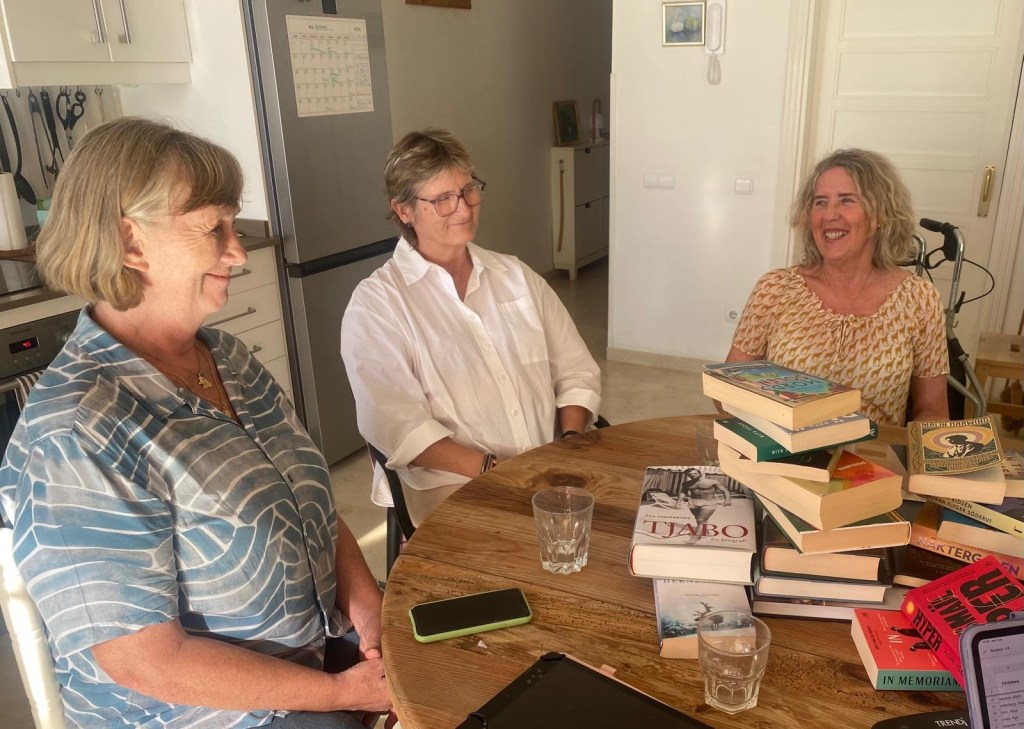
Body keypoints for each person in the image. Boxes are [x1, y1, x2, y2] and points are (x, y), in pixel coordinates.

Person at [0, 118, 389, 728]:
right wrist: (343, 695)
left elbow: (303, 501)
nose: (238, 251)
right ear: (131, 241)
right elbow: (146, 663)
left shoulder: (226, 357)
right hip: (206, 714)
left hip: (311, 656)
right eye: (214, 228)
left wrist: (369, 611)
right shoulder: (77, 433)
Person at [340, 129, 601, 527]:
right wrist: (496, 470)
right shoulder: (377, 305)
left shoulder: (515, 275)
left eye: (468, 191)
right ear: (404, 210)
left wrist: (568, 443)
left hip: (548, 469)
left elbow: (576, 371)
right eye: (442, 199)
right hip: (453, 485)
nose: (463, 209)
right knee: (531, 552)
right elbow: (399, 427)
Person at [725, 148, 949, 426]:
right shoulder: (775, 289)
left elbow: (933, 411)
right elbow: (726, 394)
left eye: (847, 200)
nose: (829, 215)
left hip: (873, 451)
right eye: (820, 202)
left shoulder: (920, 298)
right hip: (786, 447)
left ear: (880, 214)